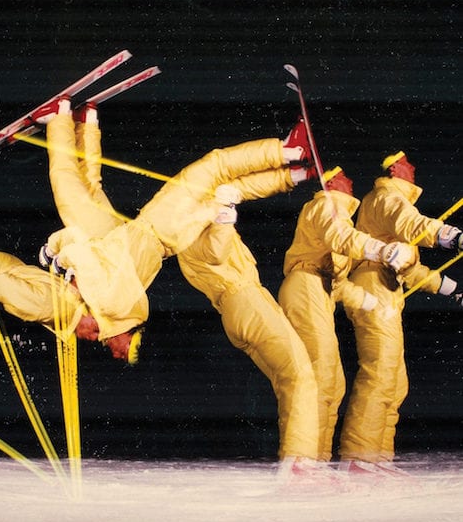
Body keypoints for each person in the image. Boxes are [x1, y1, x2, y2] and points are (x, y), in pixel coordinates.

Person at [35, 98, 314, 363]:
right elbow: (79, 255)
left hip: (132, 236)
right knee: (214, 168)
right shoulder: (114, 308)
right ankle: (291, 151)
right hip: (157, 226)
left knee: (84, 187)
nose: (116, 354)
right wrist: (55, 254)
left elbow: (98, 289)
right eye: (127, 353)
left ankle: (83, 121)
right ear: (131, 339)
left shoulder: (127, 311)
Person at [177, 165, 325, 478]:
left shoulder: (198, 225)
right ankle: (300, 463)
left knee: (288, 379)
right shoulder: (191, 231)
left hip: (241, 307)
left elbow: (244, 188)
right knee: (300, 372)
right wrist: (224, 216)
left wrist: (295, 176)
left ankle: (295, 461)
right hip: (244, 301)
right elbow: (215, 252)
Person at [277, 165, 417, 465]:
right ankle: (302, 457)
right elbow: (343, 237)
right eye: (343, 176)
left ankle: (319, 459)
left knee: (334, 382)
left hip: (321, 288)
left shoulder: (337, 218)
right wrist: (380, 250)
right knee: (321, 374)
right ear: (330, 183)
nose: (351, 180)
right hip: (306, 284)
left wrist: (368, 301)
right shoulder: (326, 207)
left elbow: (339, 282)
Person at [338, 151, 462, 478]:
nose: (414, 168)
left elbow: (412, 269)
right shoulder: (387, 198)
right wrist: (451, 236)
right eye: (408, 164)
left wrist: (453, 290)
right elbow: (413, 225)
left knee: (394, 382)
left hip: (385, 288)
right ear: (395, 167)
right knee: (380, 371)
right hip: (372, 285)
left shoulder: (393, 203)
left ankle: (378, 457)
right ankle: (358, 457)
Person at [0, 251, 92, 342]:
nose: (94, 338)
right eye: (95, 329)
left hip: (0, 266)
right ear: (89, 316)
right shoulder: (52, 310)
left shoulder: (71, 306)